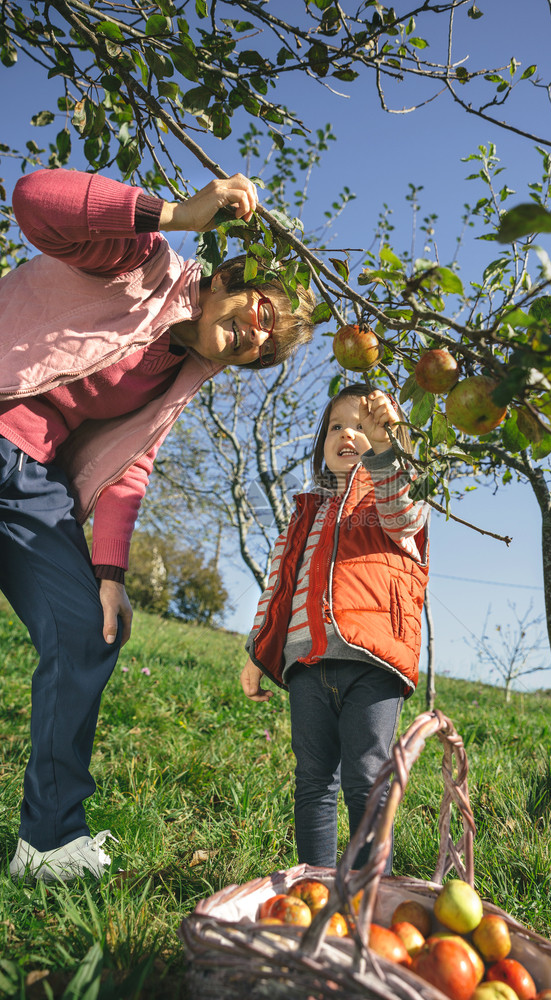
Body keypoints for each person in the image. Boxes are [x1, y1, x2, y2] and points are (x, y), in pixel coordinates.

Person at [0, 166, 315, 881]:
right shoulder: (137, 261)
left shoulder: (177, 376)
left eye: (268, 348)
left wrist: (109, 574)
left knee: (88, 630)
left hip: (30, 484)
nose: (257, 336)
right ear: (233, 279)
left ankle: (47, 844)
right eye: (264, 309)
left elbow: (128, 470)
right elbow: (33, 201)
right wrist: (173, 212)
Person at [240, 383, 429, 873]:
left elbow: (403, 514)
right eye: (337, 426)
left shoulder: (396, 494)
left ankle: (369, 890)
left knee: (366, 777)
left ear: (387, 435)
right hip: (306, 663)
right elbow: (277, 585)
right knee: (313, 780)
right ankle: (318, 884)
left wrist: (386, 448)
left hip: (373, 661)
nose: (349, 434)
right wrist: (256, 653)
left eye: (362, 426)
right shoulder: (306, 511)